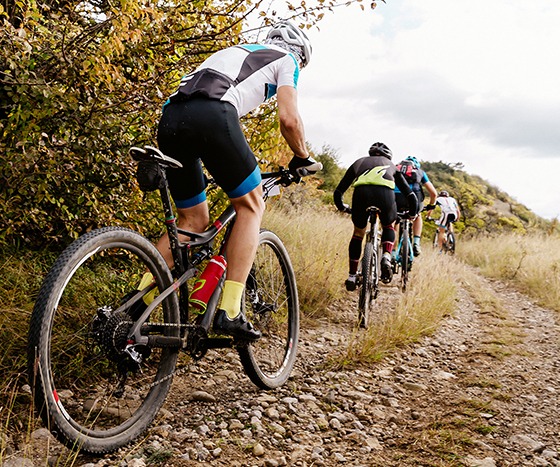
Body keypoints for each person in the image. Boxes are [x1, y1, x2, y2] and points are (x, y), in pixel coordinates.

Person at [138, 21, 320, 341]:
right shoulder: (287, 60)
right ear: (300, 55)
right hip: (213, 115)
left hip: (171, 119)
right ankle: (231, 311)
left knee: (191, 220)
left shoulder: (235, 52)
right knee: (251, 205)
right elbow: (289, 120)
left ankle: (137, 304)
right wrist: (302, 156)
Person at [333, 143, 418, 290]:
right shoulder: (392, 166)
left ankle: (352, 276)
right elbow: (410, 195)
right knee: (388, 226)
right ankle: (386, 256)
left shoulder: (359, 162)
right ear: (388, 156)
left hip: (361, 195)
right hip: (385, 196)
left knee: (358, 233)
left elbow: (338, 191)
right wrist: (411, 213)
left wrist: (342, 207)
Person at [394, 156, 438, 257]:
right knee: (418, 215)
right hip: (414, 199)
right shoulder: (420, 172)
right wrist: (431, 206)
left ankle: (391, 253)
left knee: (394, 220)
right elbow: (434, 193)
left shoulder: (395, 169)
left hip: (396, 198)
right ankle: (416, 243)